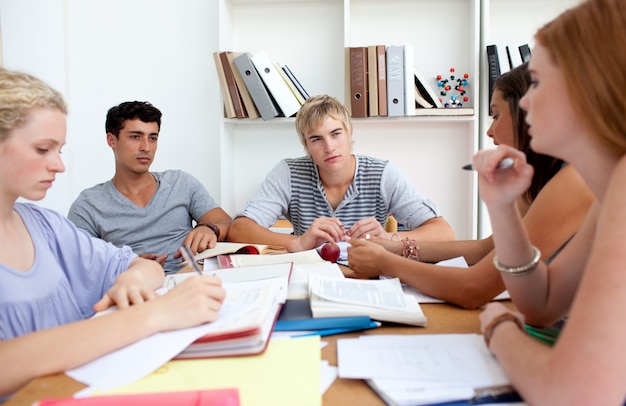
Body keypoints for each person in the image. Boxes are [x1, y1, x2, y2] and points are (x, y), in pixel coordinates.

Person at [0, 68, 226, 399]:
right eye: (42, 149)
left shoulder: (45, 225)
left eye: (59, 150)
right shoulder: (86, 206)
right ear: (113, 140)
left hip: (98, 375)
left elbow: (143, 268)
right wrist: (155, 314)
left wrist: (132, 275)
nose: (60, 166)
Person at [473, 0, 626, 403]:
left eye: (537, 81)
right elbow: (541, 302)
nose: (523, 102)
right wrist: (501, 206)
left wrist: (499, 330)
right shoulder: (611, 190)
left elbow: (572, 392)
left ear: (591, 86)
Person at [345, 63, 593, 309]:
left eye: (496, 116)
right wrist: (397, 248)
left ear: (527, 112)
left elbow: (474, 289)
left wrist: (386, 262)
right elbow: (487, 248)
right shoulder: (541, 176)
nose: (489, 131)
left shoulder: (576, 179)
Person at [227, 94, 455, 253]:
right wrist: (298, 242)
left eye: (336, 134)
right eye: (316, 139)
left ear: (349, 133)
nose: (329, 147)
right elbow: (239, 230)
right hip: (309, 277)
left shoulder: (382, 173)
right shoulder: (288, 173)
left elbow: (443, 233)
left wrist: (388, 239)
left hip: (368, 276)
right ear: (306, 145)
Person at [68, 101, 232, 274]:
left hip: (192, 278)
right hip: (134, 289)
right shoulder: (88, 205)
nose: (146, 147)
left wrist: (209, 228)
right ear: (111, 140)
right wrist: (125, 266)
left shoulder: (181, 183)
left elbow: (227, 223)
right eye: (135, 137)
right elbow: (78, 267)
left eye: (152, 138)